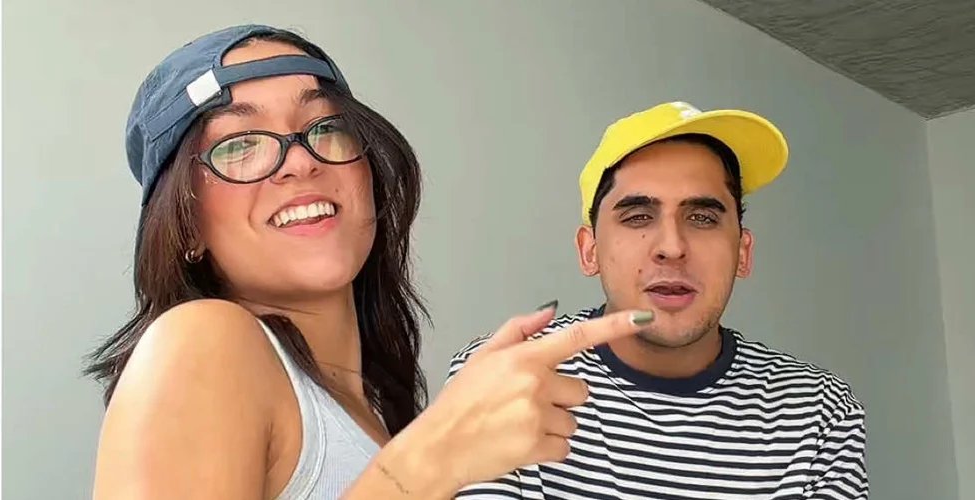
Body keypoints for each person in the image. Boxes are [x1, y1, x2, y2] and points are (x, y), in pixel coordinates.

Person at [85, 24, 656, 499]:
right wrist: (428, 462)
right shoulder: (201, 341)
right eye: (240, 144)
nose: (300, 162)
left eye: (326, 127)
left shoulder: (377, 415)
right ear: (186, 225)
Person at [448, 101, 869, 499]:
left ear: (743, 252)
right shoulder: (505, 376)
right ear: (589, 251)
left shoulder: (819, 411)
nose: (672, 247)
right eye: (638, 217)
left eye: (702, 218)